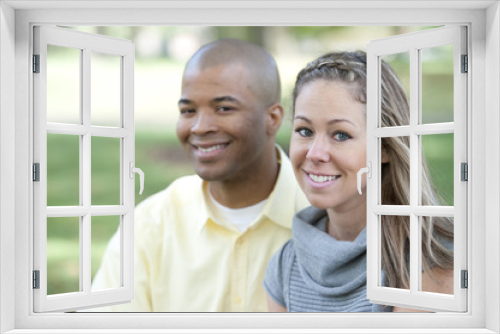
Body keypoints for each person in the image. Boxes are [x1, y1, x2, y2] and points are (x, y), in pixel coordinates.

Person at [88, 39, 309, 312]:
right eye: (188, 111)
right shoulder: (149, 226)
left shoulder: (325, 218)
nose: (200, 127)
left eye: (224, 108)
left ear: (273, 118)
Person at [263, 51, 454, 312]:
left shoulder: (432, 261)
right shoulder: (285, 265)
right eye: (305, 131)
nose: (315, 153)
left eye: (340, 135)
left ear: (385, 147)